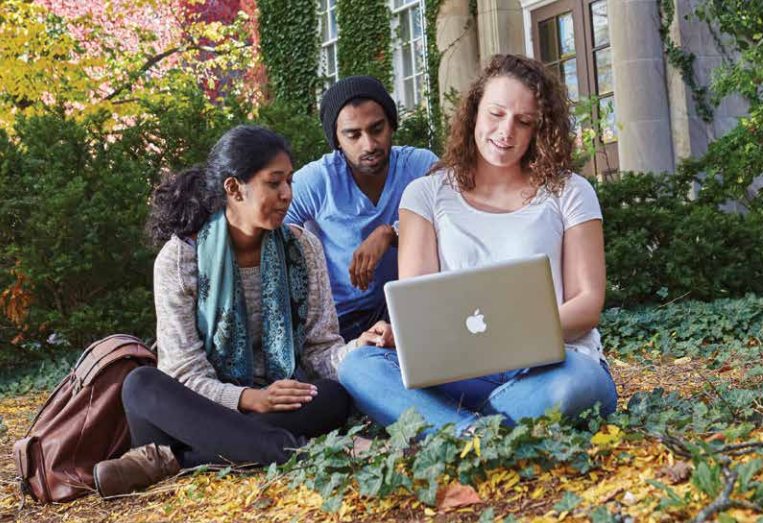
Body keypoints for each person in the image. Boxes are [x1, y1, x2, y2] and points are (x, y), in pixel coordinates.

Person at [338, 54, 618, 434]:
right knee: (359, 366)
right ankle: (480, 432)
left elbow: (586, 305)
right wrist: (402, 336)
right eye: (496, 114)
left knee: (578, 384)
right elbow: (418, 303)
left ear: (539, 127)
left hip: (553, 366)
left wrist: (510, 338)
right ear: (473, 114)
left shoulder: (570, 191)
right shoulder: (426, 194)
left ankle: (452, 427)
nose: (506, 132)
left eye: (523, 121)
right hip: (457, 370)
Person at [93, 125, 357, 497]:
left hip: (272, 405)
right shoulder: (181, 258)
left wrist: (360, 352)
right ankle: (294, 450)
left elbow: (319, 347)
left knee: (332, 397)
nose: (287, 195)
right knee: (141, 385)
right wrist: (248, 399)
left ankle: (173, 461)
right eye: (274, 183)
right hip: (193, 410)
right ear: (234, 189)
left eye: (290, 182)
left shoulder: (302, 248)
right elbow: (183, 370)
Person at [285, 75, 438, 342]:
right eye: (353, 135)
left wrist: (391, 232)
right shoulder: (319, 179)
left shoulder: (420, 165)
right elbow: (273, 228)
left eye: (376, 129)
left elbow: (458, 214)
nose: (369, 145)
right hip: (342, 321)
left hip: (410, 310)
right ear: (336, 139)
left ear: (392, 125)